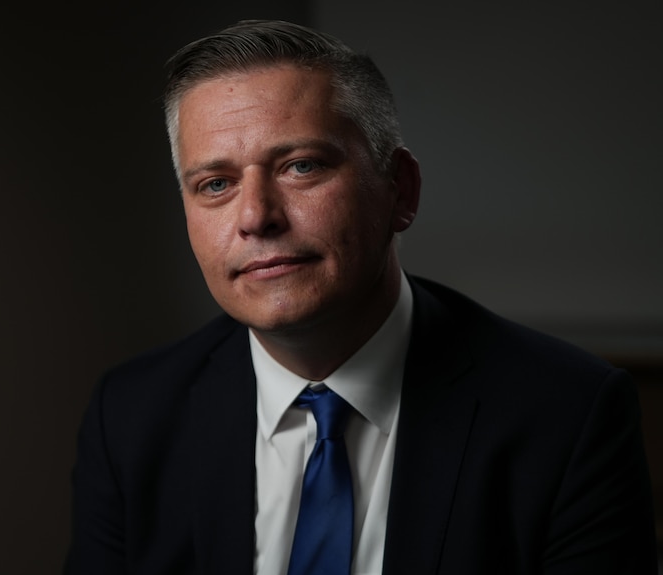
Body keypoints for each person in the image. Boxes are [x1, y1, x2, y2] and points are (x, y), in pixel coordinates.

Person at [64, 19, 657, 574]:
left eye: (300, 166)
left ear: (400, 191)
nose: (255, 217)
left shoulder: (568, 414)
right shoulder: (132, 415)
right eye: (215, 184)